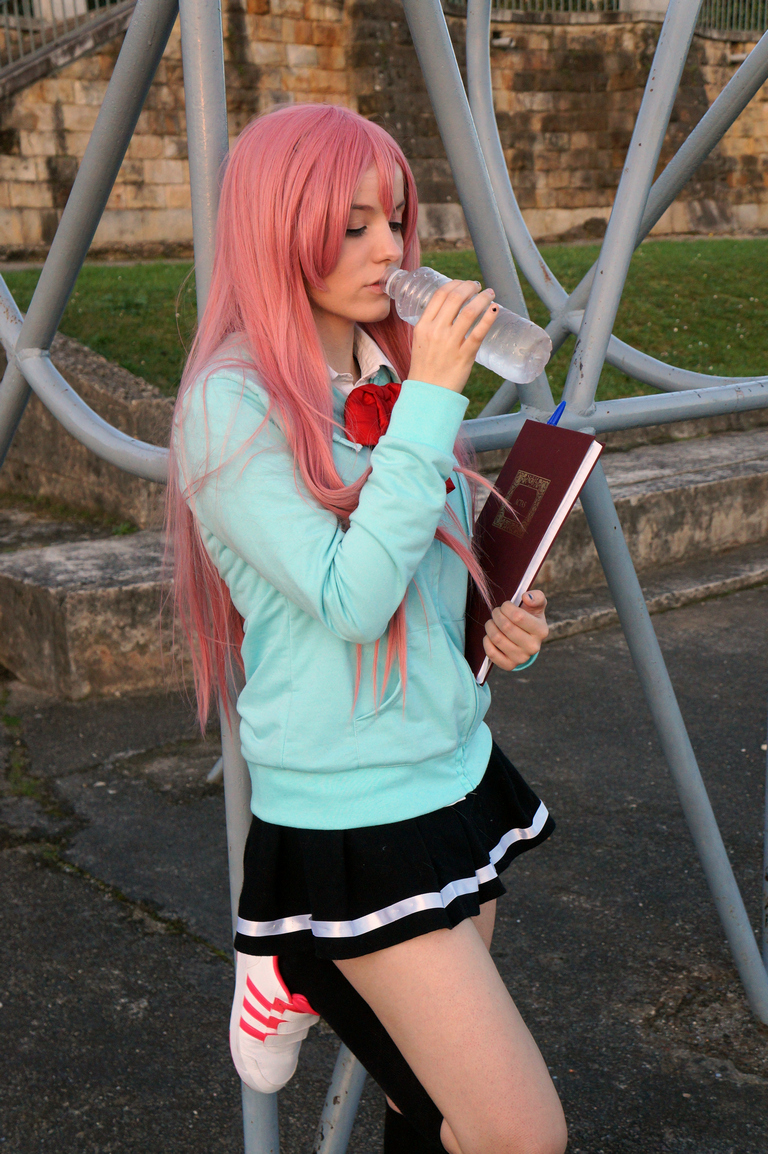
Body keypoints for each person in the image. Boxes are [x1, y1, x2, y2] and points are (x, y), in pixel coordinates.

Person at [168, 102, 567, 1154]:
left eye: (394, 220)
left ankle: (295, 960)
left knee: (429, 1109)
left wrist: (494, 620)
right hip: (354, 816)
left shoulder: (385, 380)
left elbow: (415, 583)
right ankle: (286, 954)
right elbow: (349, 601)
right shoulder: (230, 404)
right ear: (276, 227)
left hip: (450, 769)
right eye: (352, 225)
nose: (390, 251)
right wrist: (435, 397)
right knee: (520, 1131)